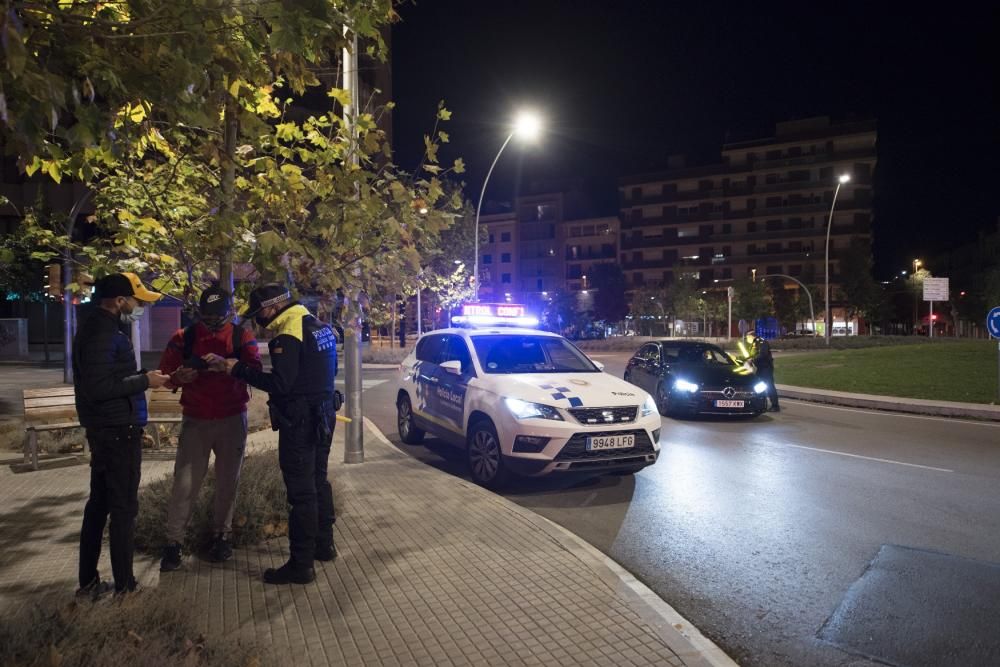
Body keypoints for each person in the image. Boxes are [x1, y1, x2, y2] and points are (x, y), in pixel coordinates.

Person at [205, 284, 338, 585]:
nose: (258, 321)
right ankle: (324, 545)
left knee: (302, 493)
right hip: (323, 416)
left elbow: (281, 384)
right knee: (318, 482)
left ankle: (301, 565)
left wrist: (237, 369)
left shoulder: (288, 334)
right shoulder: (318, 325)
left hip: (301, 423)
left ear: (271, 307)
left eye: (258, 314)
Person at [74, 273, 170, 599]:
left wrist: (145, 376)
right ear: (119, 301)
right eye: (136, 300)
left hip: (108, 429)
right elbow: (100, 388)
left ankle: (88, 583)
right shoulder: (102, 333)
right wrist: (145, 382)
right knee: (123, 510)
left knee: (100, 505)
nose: (139, 306)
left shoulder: (99, 328)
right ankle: (125, 588)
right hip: (116, 431)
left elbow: (111, 376)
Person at [157, 285, 262, 571]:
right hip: (196, 419)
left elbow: (256, 371)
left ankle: (222, 536)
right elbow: (165, 377)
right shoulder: (184, 338)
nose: (213, 324)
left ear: (229, 313)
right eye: (207, 318)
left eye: (218, 318)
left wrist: (230, 366)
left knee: (228, 481)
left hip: (231, 418)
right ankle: (173, 542)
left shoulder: (243, 336)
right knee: (184, 484)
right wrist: (180, 377)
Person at [746, 331, 779, 412]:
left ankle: (775, 406)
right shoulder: (754, 343)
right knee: (758, 385)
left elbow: (763, 354)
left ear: (751, 336)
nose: (747, 339)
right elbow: (753, 355)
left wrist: (752, 359)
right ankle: (760, 404)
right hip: (760, 368)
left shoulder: (762, 342)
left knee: (769, 386)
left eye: (747, 337)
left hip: (766, 368)